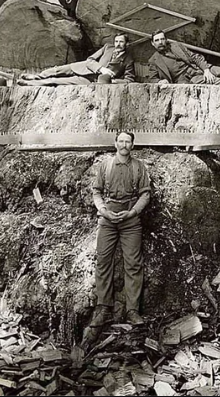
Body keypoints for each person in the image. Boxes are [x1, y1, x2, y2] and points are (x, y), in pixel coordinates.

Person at [90, 131, 151, 327]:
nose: (124, 145)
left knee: (133, 263)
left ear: (132, 145)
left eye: (128, 142)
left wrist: (132, 212)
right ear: (115, 143)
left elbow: (145, 195)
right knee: (103, 260)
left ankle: (132, 309)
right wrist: (104, 211)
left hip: (130, 220)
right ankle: (103, 307)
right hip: (107, 219)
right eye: (121, 141)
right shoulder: (105, 166)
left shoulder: (138, 167)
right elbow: (96, 192)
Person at [145, 30, 220, 86]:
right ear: (152, 43)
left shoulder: (176, 46)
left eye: (162, 39)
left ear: (165, 40)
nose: (160, 42)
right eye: (157, 40)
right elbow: (151, 79)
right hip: (188, 79)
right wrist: (160, 81)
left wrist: (206, 70)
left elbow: (195, 57)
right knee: (218, 81)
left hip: (199, 68)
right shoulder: (153, 60)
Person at [18, 33, 135, 86]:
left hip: (91, 80)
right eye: (116, 41)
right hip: (84, 67)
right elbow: (90, 59)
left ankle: (30, 83)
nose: (118, 44)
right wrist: (101, 69)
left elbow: (129, 80)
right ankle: (37, 76)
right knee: (57, 71)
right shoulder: (107, 47)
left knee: (57, 81)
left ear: (126, 44)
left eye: (121, 42)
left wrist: (112, 81)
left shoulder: (128, 60)